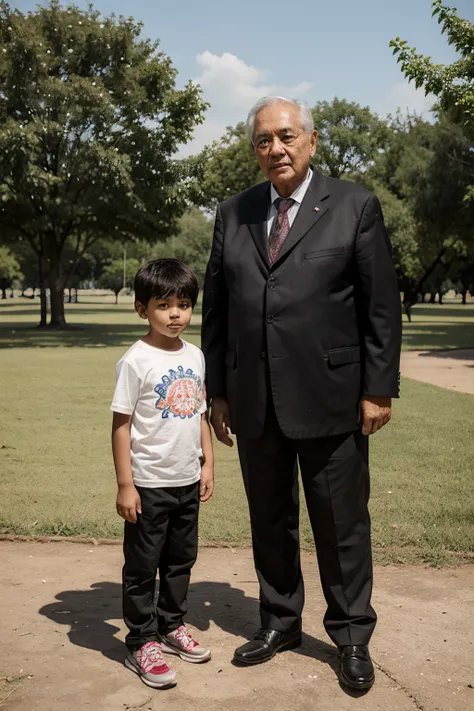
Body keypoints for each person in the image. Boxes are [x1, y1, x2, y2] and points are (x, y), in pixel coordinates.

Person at [202, 96, 402, 691]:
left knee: (341, 525)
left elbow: (380, 308)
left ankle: (351, 635)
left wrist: (378, 390)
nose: (276, 149)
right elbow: (217, 311)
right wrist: (218, 389)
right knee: (270, 520)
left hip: (334, 398)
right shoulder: (232, 213)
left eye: (286, 137)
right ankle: (279, 621)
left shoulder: (354, 205)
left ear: (311, 141)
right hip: (253, 399)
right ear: (254, 150)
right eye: (263, 140)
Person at [111, 258, 214, 690]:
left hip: (187, 480)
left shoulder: (195, 355)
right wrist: (125, 484)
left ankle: (172, 625)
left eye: (184, 304)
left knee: (180, 561)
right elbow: (121, 424)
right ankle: (141, 640)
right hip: (148, 485)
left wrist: (209, 462)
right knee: (142, 567)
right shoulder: (135, 360)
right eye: (163, 304)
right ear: (141, 309)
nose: (175, 314)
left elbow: (200, 411)